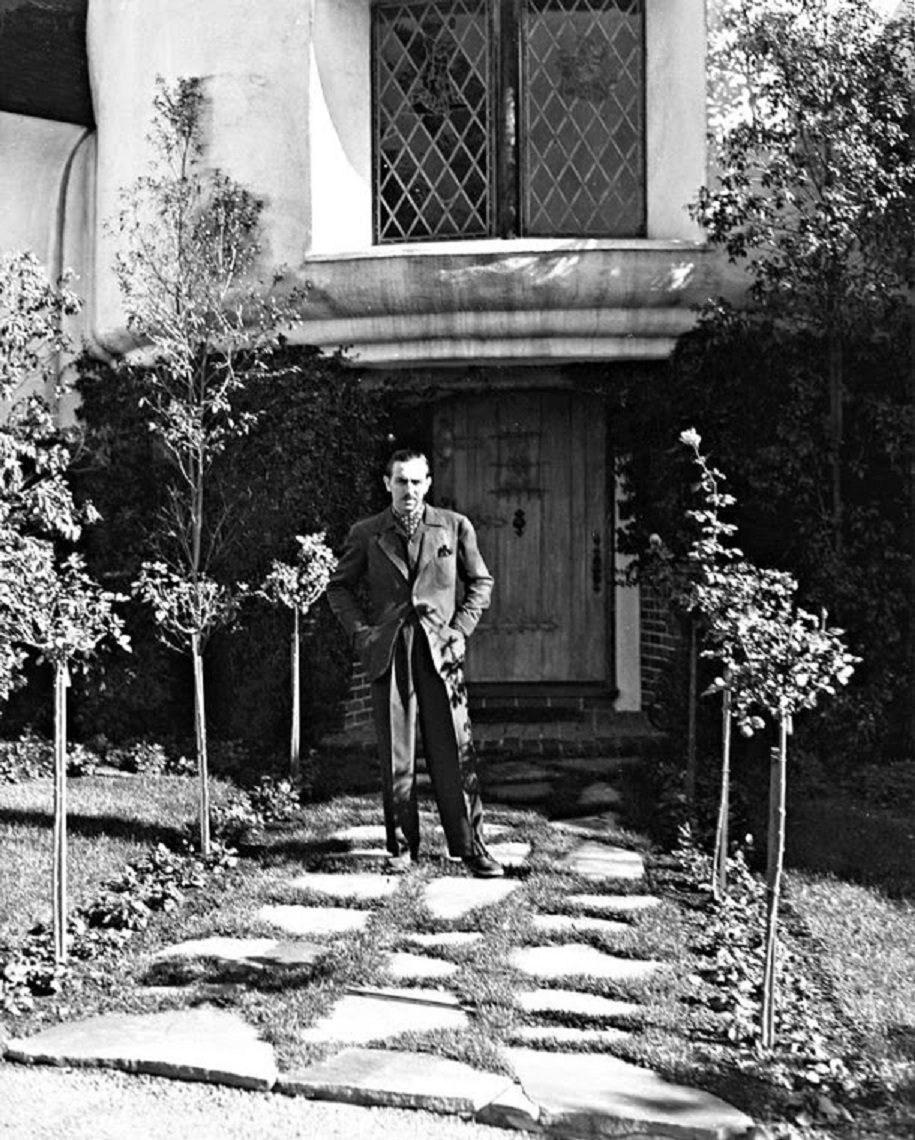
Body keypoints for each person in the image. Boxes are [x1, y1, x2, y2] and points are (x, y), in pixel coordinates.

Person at [326, 448, 504, 878]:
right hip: (389, 649)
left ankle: (470, 845)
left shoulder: (453, 527)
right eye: (401, 481)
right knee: (396, 752)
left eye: (417, 481)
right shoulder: (367, 532)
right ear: (387, 483)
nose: (410, 490)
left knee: (454, 750)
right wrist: (362, 634)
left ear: (429, 483)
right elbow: (339, 589)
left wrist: (459, 630)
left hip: (440, 650)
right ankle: (402, 845)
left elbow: (480, 582)